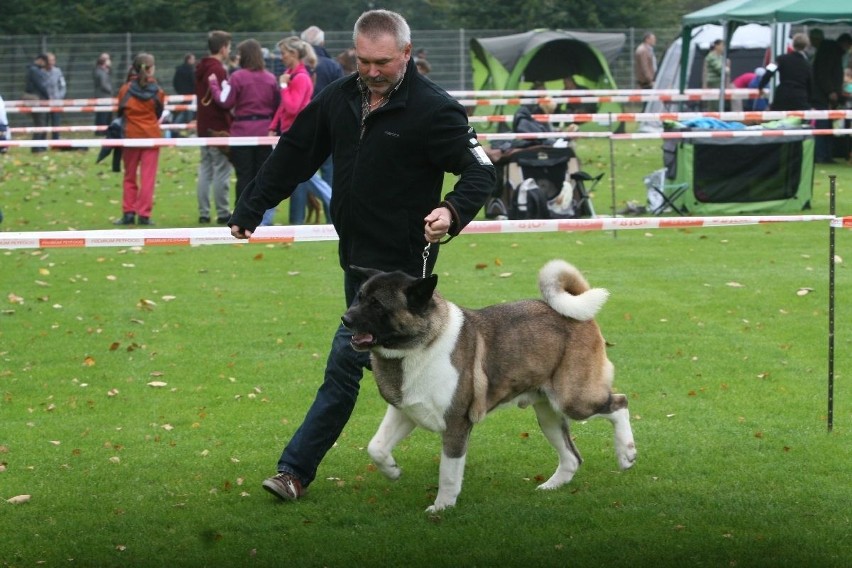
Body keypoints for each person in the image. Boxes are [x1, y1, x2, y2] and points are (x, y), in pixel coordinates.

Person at [228, 9, 495, 502]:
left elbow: (481, 172)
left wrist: (451, 211)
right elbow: (294, 152)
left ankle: (294, 471)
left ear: (407, 54)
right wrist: (251, 206)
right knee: (388, 368)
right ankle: (444, 418)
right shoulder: (341, 97)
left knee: (344, 363)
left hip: (400, 276)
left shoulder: (435, 110)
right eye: (365, 62)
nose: (372, 72)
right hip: (355, 261)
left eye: (384, 63)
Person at [264, 36, 331, 226]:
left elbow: (292, 107)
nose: (281, 57)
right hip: (289, 134)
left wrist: (283, 86)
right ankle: (263, 221)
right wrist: (272, 127)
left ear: (293, 54)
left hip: (297, 136)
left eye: (283, 53)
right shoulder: (290, 74)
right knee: (283, 176)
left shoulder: (300, 78)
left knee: (277, 176)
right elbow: (282, 108)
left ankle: (263, 221)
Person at [208, 39, 280, 204]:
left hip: (242, 133)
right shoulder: (270, 78)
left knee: (244, 175)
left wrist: (214, 85)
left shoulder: (237, 77)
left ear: (245, 56)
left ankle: (241, 214)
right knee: (261, 175)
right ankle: (259, 212)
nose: (237, 56)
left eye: (240, 54)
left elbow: (225, 101)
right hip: (264, 132)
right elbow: (277, 105)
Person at [113, 53, 166, 226]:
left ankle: (128, 212)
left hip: (131, 137)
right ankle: (144, 214)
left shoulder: (125, 90)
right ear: (151, 69)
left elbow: (120, 112)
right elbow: (158, 113)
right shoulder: (158, 92)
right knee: (148, 178)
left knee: (129, 176)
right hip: (151, 137)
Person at [301, 25, 346, 222]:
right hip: (328, 126)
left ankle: (296, 217)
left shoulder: (298, 67)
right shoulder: (333, 66)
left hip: (303, 126)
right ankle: (331, 216)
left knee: (300, 173)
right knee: (329, 173)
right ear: (323, 42)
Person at [195, 30, 233, 224]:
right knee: (221, 169)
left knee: (205, 169)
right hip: (217, 125)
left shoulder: (201, 67)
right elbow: (222, 100)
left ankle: (203, 212)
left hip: (202, 125)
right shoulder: (217, 69)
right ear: (223, 47)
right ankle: (223, 211)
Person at [809, 29, 844, 163]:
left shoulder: (824, 51)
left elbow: (822, 73)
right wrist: (833, 91)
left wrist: (830, 91)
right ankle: (826, 155)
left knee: (822, 125)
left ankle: (821, 155)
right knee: (826, 126)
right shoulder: (831, 51)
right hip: (827, 94)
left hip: (822, 95)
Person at [760, 33, 811, 112]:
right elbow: (810, 82)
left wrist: (760, 86)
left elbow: (769, 71)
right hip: (800, 97)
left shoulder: (781, 59)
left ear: (792, 44)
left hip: (782, 95)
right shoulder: (807, 64)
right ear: (806, 46)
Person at [23, 54, 49, 152]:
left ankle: (39, 145)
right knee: (40, 123)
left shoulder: (31, 69)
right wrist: (47, 97)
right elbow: (40, 85)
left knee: (39, 122)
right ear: (41, 60)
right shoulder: (35, 70)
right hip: (37, 98)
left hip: (35, 98)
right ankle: (37, 146)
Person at [43, 53, 67, 143]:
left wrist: (59, 97)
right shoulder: (41, 72)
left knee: (56, 123)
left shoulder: (58, 71)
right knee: (44, 123)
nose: (51, 62)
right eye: (49, 60)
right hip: (45, 102)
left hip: (56, 102)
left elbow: (63, 85)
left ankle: (56, 142)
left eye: (53, 60)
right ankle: (42, 142)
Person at [171, 53, 196, 130]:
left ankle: (176, 126)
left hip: (181, 93)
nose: (194, 61)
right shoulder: (191, 70)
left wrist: (179, 91)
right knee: (188, 110)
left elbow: (174, 82)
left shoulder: (179, 70)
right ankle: (179, 126)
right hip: (190, 94)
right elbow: (194, 82)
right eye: (193, 59)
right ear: (189, 60)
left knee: (184, 109)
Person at [703, 39, 730, 110]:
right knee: (713, 106)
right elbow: (720, 68)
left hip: (720, 83)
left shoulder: (721, 57)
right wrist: (726, 68)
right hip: (713, 83)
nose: (723, 47)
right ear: (716, 46)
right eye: (722, 45)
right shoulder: (711, 56)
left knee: (719, 105)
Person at [93, 53, 113, 131]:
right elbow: (103, 84)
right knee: (103, 115)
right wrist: (110, 90)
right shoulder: (100, 72)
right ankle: (101, 131)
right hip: (103, 96)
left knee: (103, 114)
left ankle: (102, 131)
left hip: (103, 96)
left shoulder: (103, 70)